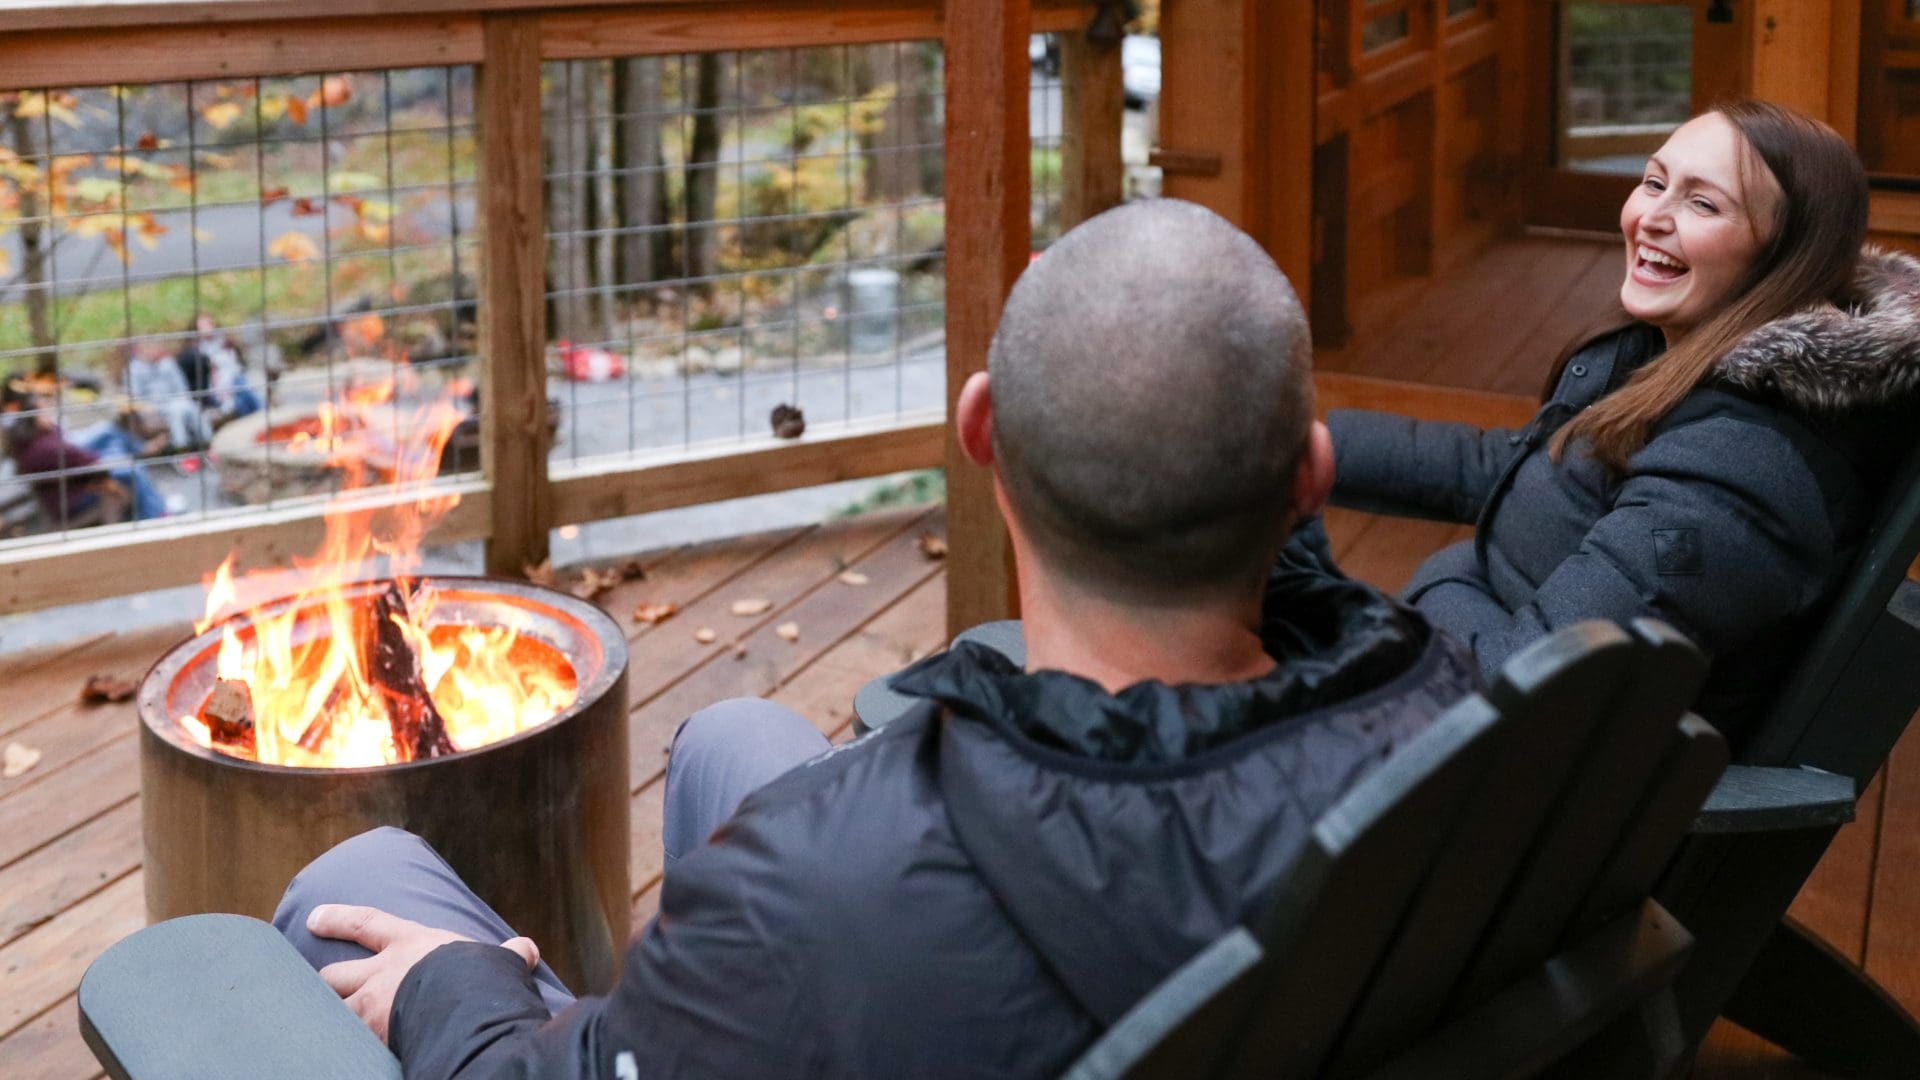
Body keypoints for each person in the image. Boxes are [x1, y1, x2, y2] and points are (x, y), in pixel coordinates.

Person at [271, 199, 1479, 1078]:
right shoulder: (1456, 717)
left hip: (844, 966)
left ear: (980, 432)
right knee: (733, 736)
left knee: (351, 884)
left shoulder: (801, 893)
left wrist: (456, 986)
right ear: (1314, 475)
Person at [1326, 99, 1920, 742]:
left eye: (1703, 204)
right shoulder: (1669, 352)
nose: (1652, 217)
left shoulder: (1738, 478)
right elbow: (1538, 469)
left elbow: (1521, 691)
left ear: (1785, 256)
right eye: (1654, 182)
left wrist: (1448, 574)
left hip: (1554, 805)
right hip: (1485, 743)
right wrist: (1313, 449)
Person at [125, 340, 212, 451]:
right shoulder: (134, 368)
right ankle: (182, 449)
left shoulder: (168, 363)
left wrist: (182, 400)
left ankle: (207, 443)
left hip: (176, 402)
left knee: (192, 407)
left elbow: (181, 388)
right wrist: (145, 407)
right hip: (153, 407)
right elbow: (135, 395)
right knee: (176, 412)